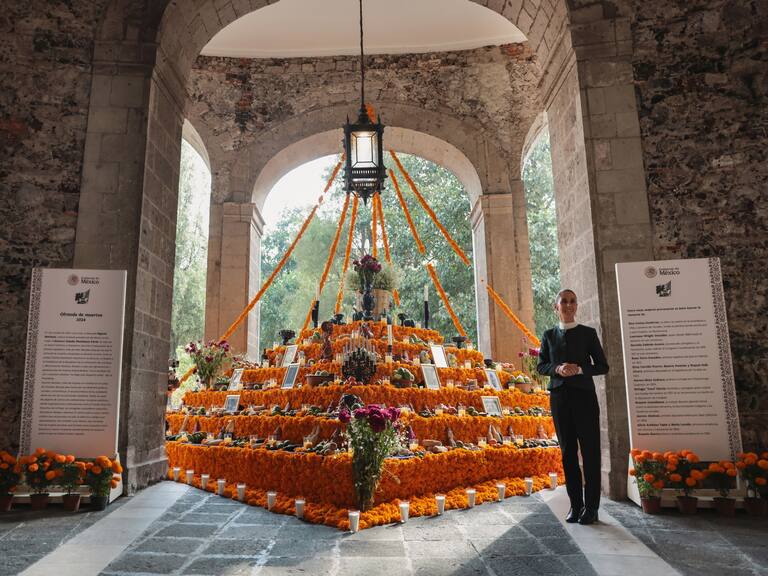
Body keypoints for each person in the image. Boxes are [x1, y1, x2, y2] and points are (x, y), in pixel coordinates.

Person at [537, 289, 608, 525]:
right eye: (563, 301)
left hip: (585, 399)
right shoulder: (548, 335)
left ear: (576, 306)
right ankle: (575, 505)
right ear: (556, 307)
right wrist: (557, 369)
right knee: (568, 454)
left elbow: (602, 366)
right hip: (559, 399)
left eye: (572, 301)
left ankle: (592, 508)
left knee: (590, 453)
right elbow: (541, 366)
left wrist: (579, 369)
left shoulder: (588, 334)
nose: (568, 305)